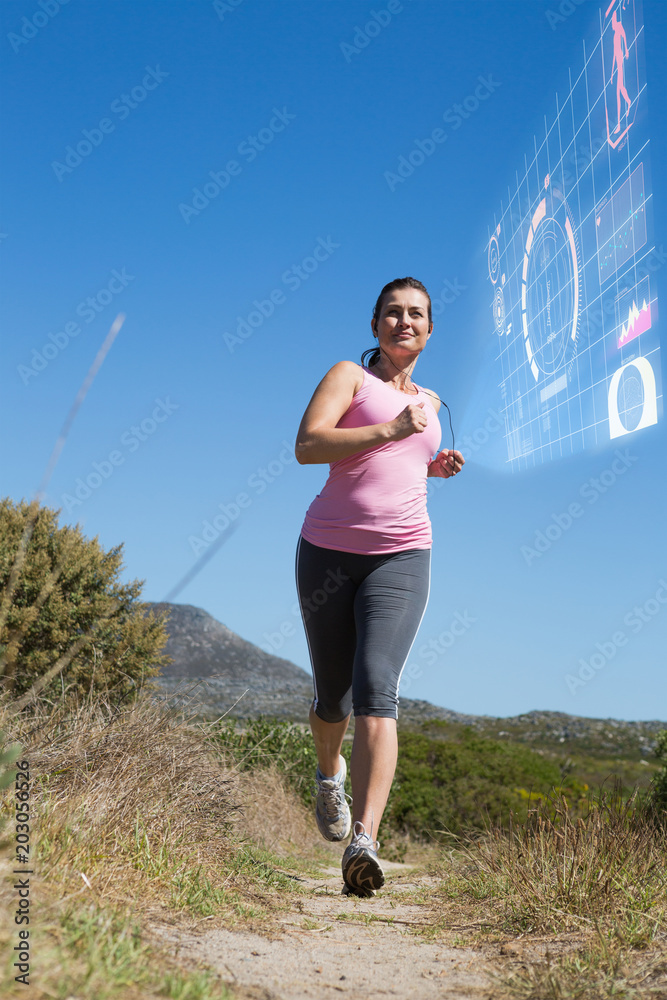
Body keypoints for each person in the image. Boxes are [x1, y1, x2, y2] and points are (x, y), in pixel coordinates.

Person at [294, 276, 464, 897]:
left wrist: (431, 463)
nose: (404, 322)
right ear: (374, 325)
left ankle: (364, 840)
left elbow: (402, 465)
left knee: (377, 687)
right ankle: (328, 775)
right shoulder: (350, 377)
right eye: (393, 313)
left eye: (416, 314)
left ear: (429, 328)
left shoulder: (433, 402)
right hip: (329, 554)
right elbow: (308, 446)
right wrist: (392, 432)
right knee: (333, 695)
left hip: (402, 556)